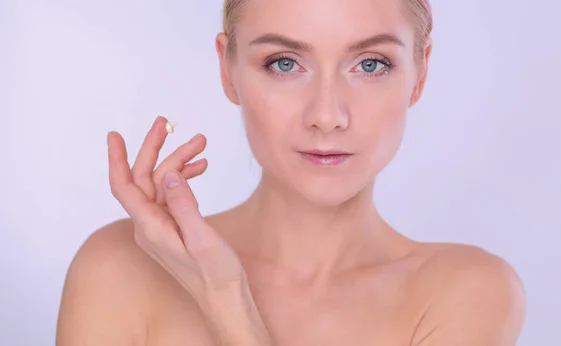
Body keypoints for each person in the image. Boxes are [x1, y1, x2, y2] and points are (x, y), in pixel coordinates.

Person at [56, 0, 527, 345]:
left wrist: (226, 300)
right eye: (284, 63)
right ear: (229, 70)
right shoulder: (121, 267)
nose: (327, 115)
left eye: (370, 64)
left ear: (418, 77)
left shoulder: (467, 290)